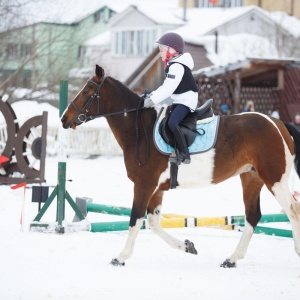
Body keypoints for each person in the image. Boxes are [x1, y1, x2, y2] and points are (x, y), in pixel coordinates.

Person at [143, 32, 199, 164]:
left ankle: (184, 153)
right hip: (180, 99)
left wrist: (152, 100)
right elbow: (165, 86)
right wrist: (152, 95)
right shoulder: (174, 65)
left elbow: (168, 89)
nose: (160, 53)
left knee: (172, 122)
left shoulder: (177, 66)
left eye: (161, 50)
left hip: (185, 100)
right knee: (165, 119)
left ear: (170, 50)